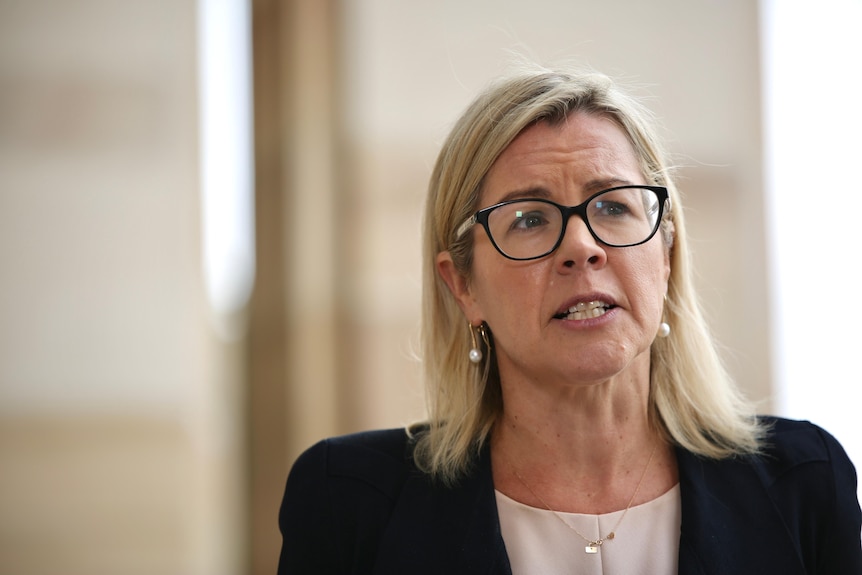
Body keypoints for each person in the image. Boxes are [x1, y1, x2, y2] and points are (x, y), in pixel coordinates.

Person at [277, 65, 861, 574]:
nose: (581, 247)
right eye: (529, 219)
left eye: (612, 206)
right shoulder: (347, 501)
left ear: (666, 256)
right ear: (463, 286)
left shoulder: (805, 483)